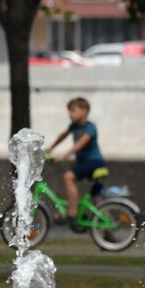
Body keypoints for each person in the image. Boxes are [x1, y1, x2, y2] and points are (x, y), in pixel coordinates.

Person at [46, 97, 107, 232]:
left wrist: (64, 155)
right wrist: (50, 148)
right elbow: (63, 135)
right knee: (97, 199)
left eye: (73, 110)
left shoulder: (90, 128)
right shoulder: (74, 126)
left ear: (84, 111)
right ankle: (108, 232)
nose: (70, 114)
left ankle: (72, 213)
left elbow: (81, 143)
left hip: (94, 162)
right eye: (69, 111)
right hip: (86, 163)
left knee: (69, 177)